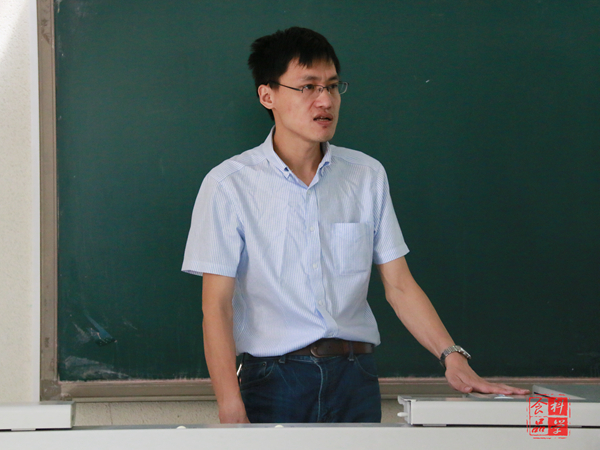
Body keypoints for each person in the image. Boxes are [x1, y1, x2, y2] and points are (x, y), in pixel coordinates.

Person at [182, 26, 528, 424]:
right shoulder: (229, 185)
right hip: (274, 381)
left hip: (355, 376)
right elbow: (217, 307)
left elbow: (399, 285)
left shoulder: (365, 175)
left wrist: (452, 357)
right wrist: (230, 405)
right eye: (308, 87)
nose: (325, 100)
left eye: (332, 86)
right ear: (267, 95)